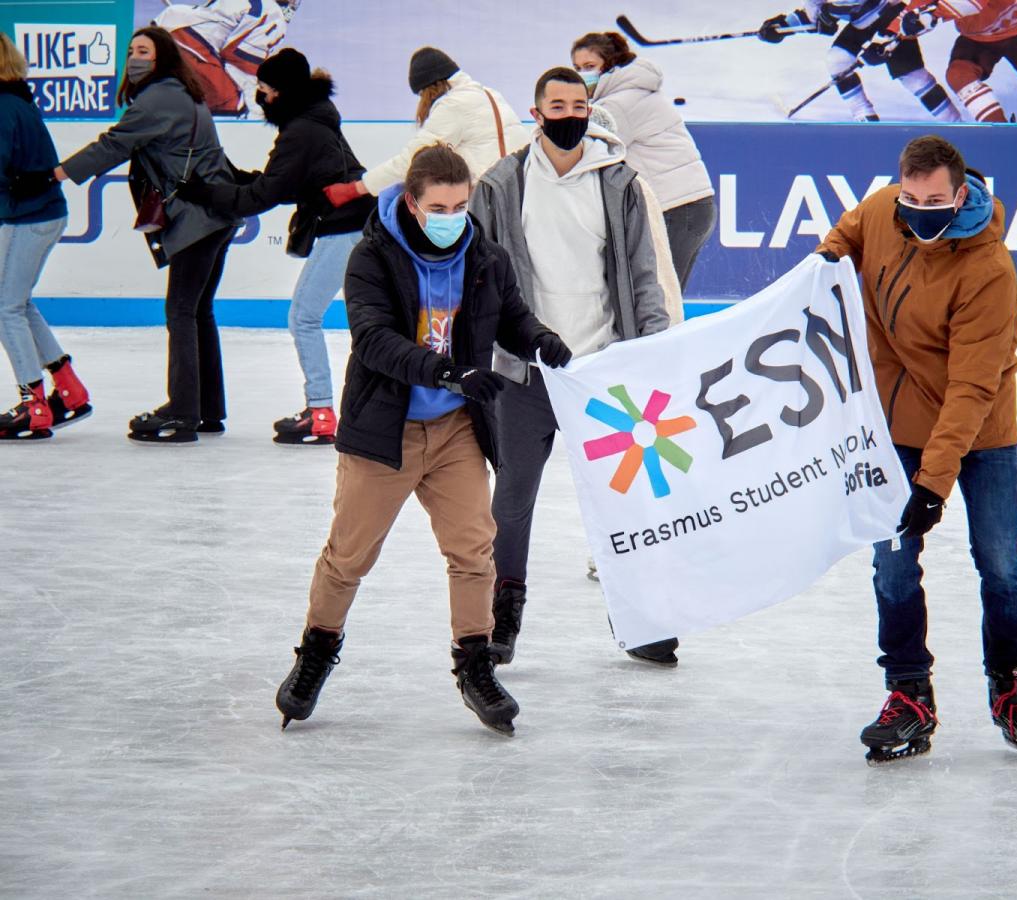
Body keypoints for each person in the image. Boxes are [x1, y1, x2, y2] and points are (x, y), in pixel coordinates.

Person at [273, 144, 571, 736]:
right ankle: (314, 655)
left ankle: (475, 664)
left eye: (461, 205)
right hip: (386, 431)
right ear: (412, 202)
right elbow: (374, 339)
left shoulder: (484, 255)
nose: (452, 215)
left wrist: (540, 340)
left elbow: (511, 315)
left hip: (456, 430)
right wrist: (447, 371)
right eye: (440, 205)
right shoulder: (371, 258)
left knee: (473, 549)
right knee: (349, 555)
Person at [815, 134, 1017, 764]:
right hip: (895, 427)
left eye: (936, 200)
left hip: (980, 433)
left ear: (960, 193)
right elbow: (845, 234)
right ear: (900, 188)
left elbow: (971, 387)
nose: (922, 210)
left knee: (1001, 563)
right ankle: (908, 693)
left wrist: (932, 482)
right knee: (892, 564)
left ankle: (1012, 687)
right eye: (913, 197)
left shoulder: (987, 269)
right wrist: (826, 260)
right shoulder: (882, 209)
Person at [469, 67, 672, 667]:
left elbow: (643, 276)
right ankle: (501, 619)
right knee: (511, 502)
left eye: (578, 104)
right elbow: (479, 278)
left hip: (600, 372)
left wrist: (651, 350)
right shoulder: (502, 184)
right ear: (536, 114)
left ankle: (639, 618)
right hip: (524, 373)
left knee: (625, 501)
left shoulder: (619, 183)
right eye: (557, 104)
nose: (569, 113)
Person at [55, 26, 243, 443]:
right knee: (197, 311)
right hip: (215, 215)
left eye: (144, 50)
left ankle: (181, 413)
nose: (134, 57)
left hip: (199, 219)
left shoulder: (160, 98)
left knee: (180, 311)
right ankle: (206, 409)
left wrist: (58, 174)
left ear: (162, 58)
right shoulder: (180, 93)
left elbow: (114, 143)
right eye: (131, 50)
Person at [177, 48, 374, 445]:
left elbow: (262, 197)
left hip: (343, 230)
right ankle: (336, 409)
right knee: (341, 320)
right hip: (355, 227)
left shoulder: (302, 129)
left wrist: (204, 192)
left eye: (264, 89)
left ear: (281, 91)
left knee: (303, 317)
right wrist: (234, 179)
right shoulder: (314, 119)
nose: (260, 96)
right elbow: (287, 183)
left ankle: (320, 412)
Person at [0, 33, 92, 440]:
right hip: (37, 214)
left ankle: (33, 403)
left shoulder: (4, 106)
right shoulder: (16, 100)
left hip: (28, 217)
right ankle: (68, 387)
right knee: (17, 303)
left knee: (5, 308)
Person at [571, 31, 715, 290]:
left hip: (677, 208)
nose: (582, 74)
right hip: (692, 206)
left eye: (590, 67)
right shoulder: (635, 92)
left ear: (611, 64)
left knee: (658, 300)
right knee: (665, 297)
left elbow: (587, 153)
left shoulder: (620, 103)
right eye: (577, 68)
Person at [322, 47, 528, 207]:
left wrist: (356, 188)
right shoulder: (489, 94)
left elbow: (414, 161)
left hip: (487, 200)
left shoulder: (454, 105)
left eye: (421, 96)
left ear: (429, 89)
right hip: (517, 192)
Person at [758, 1, 961, 124]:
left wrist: (885, 43)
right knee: (837, 59)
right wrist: (782, 26)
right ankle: (864, 114)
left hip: (892, 18)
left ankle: (955, 124)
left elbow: (902, 11)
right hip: (862, 22)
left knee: (913, 76)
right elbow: (816, 18)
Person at [898, 0, 1017, 122]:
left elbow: (973, 3)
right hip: (979, 37)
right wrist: (887, 36)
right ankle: (999, 133)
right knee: (959, 75)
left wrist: (931, 13)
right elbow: (917, 7)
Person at [151, 0, 299, 117]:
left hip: (162, 32)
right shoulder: (273, 12)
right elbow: (239, 64)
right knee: (232, 104)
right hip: (189, 48)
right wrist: (253, 109)